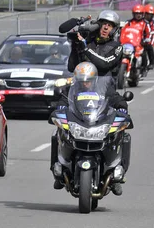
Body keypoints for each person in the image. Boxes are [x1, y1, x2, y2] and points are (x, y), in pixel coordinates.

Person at [51, 62, 129, 194]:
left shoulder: (104, 88)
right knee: (56, 133)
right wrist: (60, 107)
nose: (85, 84)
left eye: (88, 81)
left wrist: (122, 106)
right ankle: (58, 172)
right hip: (79, 123)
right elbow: (63, 100)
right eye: (82, 81)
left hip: (98, 123)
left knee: (123, 135)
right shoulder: (72, 89)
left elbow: (116, 98)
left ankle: (117, 175)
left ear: (94, 79)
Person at [67, 10, 122, 78]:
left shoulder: (116, 47)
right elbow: (72, 68)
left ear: (114, 30)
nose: (106, 27)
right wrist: (75, 45)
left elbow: (105, 64)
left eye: (109, 25)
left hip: (104, 86)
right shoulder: (88, 42)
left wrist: (86, 49)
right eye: (104, 24)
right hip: (83, 85)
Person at [143, 4, 154, 71]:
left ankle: (151, 63)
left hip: (148, 38)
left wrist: (151, 42)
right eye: (147, 14)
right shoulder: (140, 20)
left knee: (149, 48)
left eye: (151, 15)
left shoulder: (153, 22)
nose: (149, 16)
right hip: (138, 38)